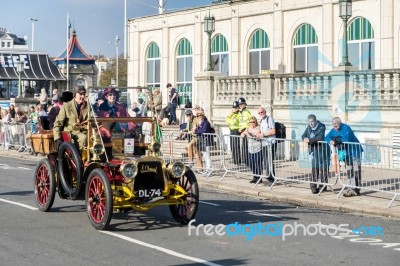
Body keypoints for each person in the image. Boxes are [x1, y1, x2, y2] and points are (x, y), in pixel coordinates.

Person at [325, 117, 363, 197]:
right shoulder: (333, 130)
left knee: (356, 171)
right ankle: (350, 188)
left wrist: (335, 140)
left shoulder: (346, 127)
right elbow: (327, 137)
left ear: (340, 123)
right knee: (349, 171)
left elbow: (346, 138)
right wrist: (330, 141)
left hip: (355, 151)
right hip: (347, 154)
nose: (335, 125)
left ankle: (356, 189)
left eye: (336, 123)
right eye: (333, 124)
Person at [53, 86, 89, 151]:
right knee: (84, 138)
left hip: (86, 131)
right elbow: (57, 123)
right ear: (74, 94)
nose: (83, 96)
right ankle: (83, 159)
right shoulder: (66, 106)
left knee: (98, 138)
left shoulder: (88, 106)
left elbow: (93, 119)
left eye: (84, 94)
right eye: (80, 94)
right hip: (71, 134)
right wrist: (57, 138)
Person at [302, 114, 330, 194]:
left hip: (323, 150)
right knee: (314, 169)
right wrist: (304, 138)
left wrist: (309, 140)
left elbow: (320, 138)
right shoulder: (308, 128)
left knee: (324, 169)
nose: (310, 123)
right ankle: (313, 187)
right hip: (314, 151)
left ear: (316, 121)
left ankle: (323, 186)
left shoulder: (321, 126)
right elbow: (303, 135)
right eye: (309, 122)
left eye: (312, 122)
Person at [257, 107, 276, 185]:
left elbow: (273, 131)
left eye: (262, 112)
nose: (261, 114)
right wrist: (258, 134)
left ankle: (271, 179)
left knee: (269, 161)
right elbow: (261, 131)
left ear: (265, 111)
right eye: (259, 113)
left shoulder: (269, 119)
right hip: (264, 143)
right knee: (266, 161)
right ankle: (268, 177)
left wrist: (263, 135)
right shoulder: (261, 120)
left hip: (270, 143)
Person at [241, 116, 263, 184]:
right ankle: (255, 176)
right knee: (251, 164)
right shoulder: (248, 128)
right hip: (250, 149)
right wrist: (243, 133)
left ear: (256, 122)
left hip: (257, 149)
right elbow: (242, 134)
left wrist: (248, 134)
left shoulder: (258, 128)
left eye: (253, 122)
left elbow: (256, 136)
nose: (252, 123)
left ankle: (259, 178)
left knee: (258, 164)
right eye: (251, 122)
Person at [194, 110, 213, 176]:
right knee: (205, 156)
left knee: (207, 156)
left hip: (206, 141)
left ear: (203, 116)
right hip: (202, 141)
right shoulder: (199, 123)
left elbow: (204, 130)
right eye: (197, 116)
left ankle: (209, 169)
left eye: (200, 115)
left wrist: (196, 131)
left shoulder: (206, 122)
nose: (199, 117)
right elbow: (197, 130)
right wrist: (196, 130)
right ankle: (207, 169)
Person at [237, 97, 252, 165]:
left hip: (246, 131)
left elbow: (250, 122)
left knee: (246, 146)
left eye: (242, 104)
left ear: (245, 104)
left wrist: (245, 130)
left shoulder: (247, 112)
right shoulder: (240, 113)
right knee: (243, 146)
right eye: (239, 104)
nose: (240, 106)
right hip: (241, 131)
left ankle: (247, 161)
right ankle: (244, 160)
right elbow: (239, 122)